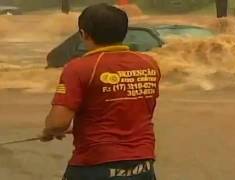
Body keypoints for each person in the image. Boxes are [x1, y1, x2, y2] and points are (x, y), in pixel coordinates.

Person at [40, 3, 160, 180]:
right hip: (143, 164)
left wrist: (50, 130)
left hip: (95, 165)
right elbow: (131, 108)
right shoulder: (149, 63)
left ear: (83, 34)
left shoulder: (79, 68)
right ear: (124, 32)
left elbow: (58, 123)